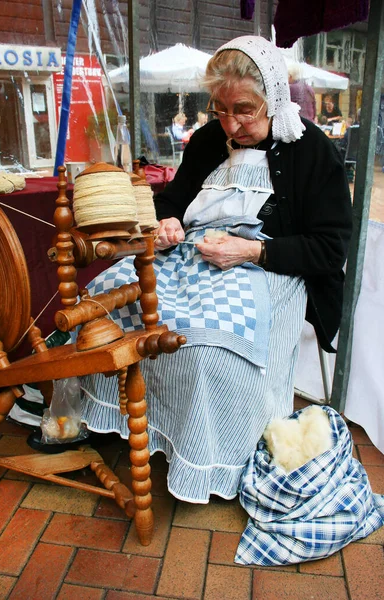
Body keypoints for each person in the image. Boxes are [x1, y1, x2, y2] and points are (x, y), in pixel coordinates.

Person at [76, 36, 352, 504]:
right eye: (220, 108)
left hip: (265, 268)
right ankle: (117, 419)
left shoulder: (312, 152)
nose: (231, 122)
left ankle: (210, 456)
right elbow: (173, 200)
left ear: (273, 98)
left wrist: (251, 252)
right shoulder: (208, 139)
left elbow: (329, 248)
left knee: (205, 347)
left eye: (243, 109)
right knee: (102, 302)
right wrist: (164, 222)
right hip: (190, 258)